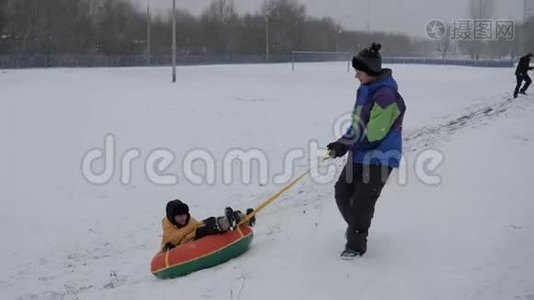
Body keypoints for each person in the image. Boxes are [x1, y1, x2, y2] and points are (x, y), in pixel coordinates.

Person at [327, 42, 406, 259]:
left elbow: (374, 134)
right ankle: (356, 226)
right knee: (342, 192)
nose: (356, 76)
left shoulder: (386, 95)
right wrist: (341, 142)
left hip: (382, 156)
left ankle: (356, 244)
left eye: (359, 72)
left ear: (370, 72)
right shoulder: (363, 90)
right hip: (360, 153)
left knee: (363, 199)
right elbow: (357, 125)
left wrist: (348, 145)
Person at [161, 199, 255, 251]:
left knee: (210, 220)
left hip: (194, 233)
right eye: (179, 216)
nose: (183, 218)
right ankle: (228, 222)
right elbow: (170, 240)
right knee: (209, 226)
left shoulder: (189, 220)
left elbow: (195, 224)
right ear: (172, 218)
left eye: (184, 215)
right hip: (188, 242)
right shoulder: (168, 228)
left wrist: (195, 226)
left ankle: (244, 219)